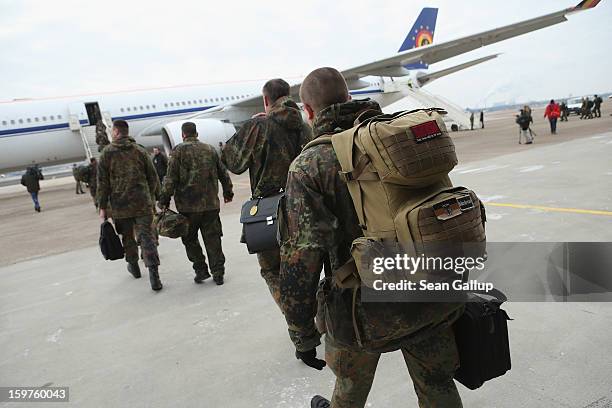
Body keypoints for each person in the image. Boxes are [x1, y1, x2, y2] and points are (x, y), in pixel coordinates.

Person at [280, 67, 464, 408]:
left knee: (349, 389)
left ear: (308, 111)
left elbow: (300, 260)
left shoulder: (309, 165)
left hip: (361, 311)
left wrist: (302, 333)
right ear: (349, 97)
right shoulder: (395, 137)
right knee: (438, 385)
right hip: (428, 289)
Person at [222, 78, 311, 306]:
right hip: (306, 209)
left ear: (265, 100)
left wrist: (247, 130)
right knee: (307, 268)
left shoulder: (258, 126)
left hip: (270, 214)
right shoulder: (304, 126)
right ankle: (314, 314)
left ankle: (301, 330)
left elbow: (232, 162)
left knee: (273, 270)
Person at [158, 122, 234, 285]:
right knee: (213, 238)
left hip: (188, 207)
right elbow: (223, 173)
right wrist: (228, 192)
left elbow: (170, 179)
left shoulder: (177, 152)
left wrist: (164, 200)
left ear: (183, 134)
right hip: (210, 205)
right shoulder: (209, 149)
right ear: (196, 133)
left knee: (190, 239)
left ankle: (201, 270)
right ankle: (218, 272)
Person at [97, 120, 163, 291]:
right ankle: (154, 275)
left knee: (127, 238)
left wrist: (102, 206)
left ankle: (133, 265)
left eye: (112, 130)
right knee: (147, 238)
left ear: (117, 132)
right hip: (142, 204)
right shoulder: (140, 151)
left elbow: (102, 184)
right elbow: (153, 178)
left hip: (120, 206)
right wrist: (156, 197)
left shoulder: (106, 154)